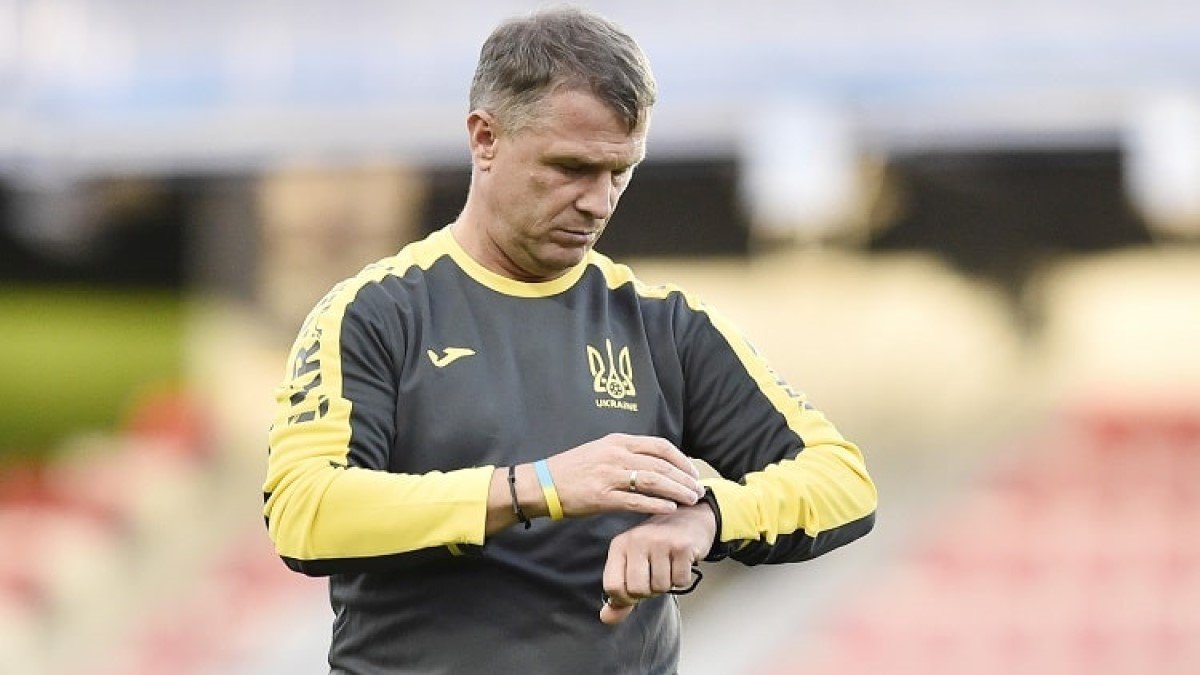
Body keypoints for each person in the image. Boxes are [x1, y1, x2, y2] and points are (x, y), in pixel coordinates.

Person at [262, 6, 876, 674]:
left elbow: (841, 480)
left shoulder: (661, 326)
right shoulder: (376, 314)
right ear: (485, 138)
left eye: (620, 171)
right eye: (572, 167)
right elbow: (304, 511)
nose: (599, 202)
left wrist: (708, 516)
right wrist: (537, 487)